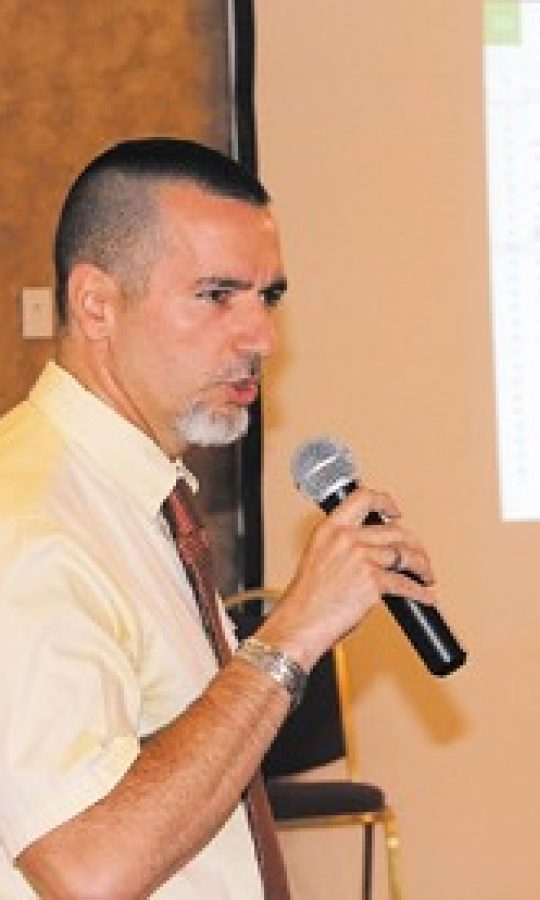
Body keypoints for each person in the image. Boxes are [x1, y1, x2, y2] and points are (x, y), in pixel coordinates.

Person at [0, 137, 438, 898]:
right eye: (216, 296)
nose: (260, 338)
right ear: (96, 303)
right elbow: (85, 869)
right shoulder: (32, 526)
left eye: (267, 298)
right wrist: (292, 635)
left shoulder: (138, 492)